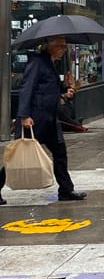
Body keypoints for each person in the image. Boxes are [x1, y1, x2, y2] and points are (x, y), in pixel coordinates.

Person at [0, 36, 87, 204]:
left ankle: (66, 190)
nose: (63, 49)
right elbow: (27, 89)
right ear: (49, 46)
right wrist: (24, 115)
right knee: (18, 156)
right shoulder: (37, 62)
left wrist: (65, 89)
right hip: (35, 118)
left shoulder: (51, 63)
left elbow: (47, 89)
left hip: (50, 119)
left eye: (64, 46)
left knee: (60, 153)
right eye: (60, 46)